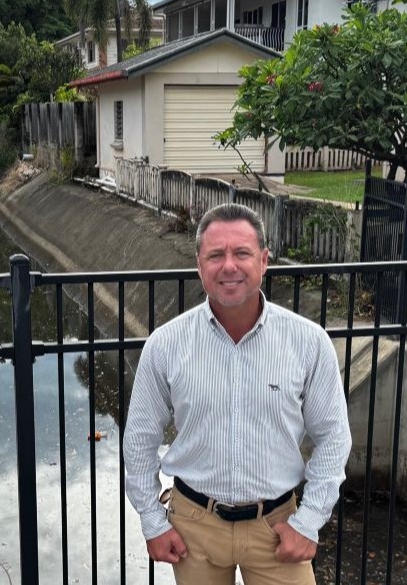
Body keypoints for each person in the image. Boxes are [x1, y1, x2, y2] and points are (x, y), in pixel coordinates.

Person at [123, 203, 351, 584]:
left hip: (278, 527)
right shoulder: (166, 345)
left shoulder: (308, 342)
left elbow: (334, 437)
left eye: (242, 253)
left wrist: (309, 520)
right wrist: (152, 520)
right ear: (199, 264)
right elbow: (139, 441)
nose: (229, 266)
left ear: (264, 260)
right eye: (216, 255)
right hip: (195, 527)